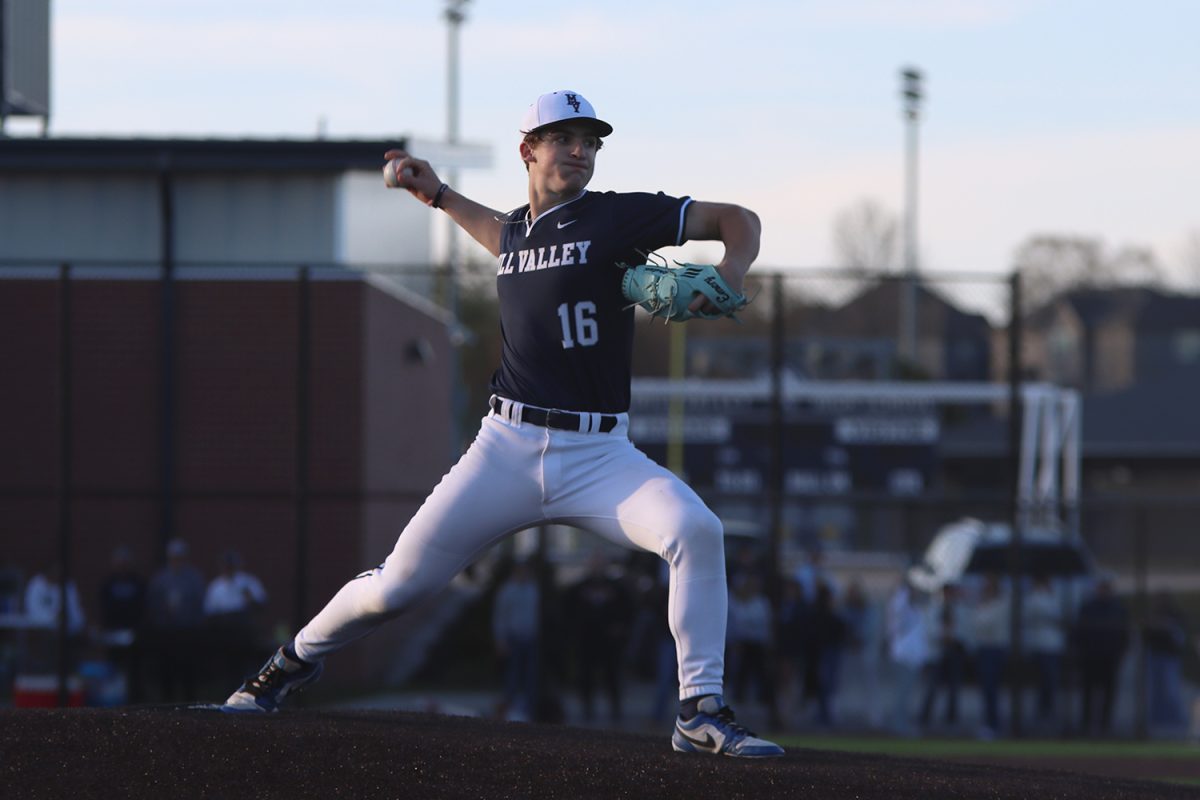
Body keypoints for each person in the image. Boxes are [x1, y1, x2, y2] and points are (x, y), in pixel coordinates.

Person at [220, 90, 782, 758]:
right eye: (564, 137)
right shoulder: (519, 233)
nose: (581, 150)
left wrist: (731, 268)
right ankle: (286, 667)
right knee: (398, 587)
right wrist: (438, 195)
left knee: (697, 529)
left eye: (591, 141)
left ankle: (699, 709)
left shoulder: (616, 217)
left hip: (602, 456)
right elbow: (504, 238)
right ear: (528, 150)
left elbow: (737, 219)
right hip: (505, 449)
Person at [566, 550, 633, 723]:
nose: (597, 567)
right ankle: (587, 710)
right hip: (587, 640)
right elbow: (569, 612)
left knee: (612, 676)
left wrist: (620, 628)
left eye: (600, 563)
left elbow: (628, 610)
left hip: (609, 641)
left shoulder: (616, 588)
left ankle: (615, 710)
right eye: (594, 563)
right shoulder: (579, 588)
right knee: (586, 676)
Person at [146, 539, 206, 701]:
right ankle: (167, 702)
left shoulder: (193, 578)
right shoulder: (161, 579)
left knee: (187, 671)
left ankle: (189, 701)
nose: (176, 561)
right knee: (167, 670)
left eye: (179, 557)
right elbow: (153, 603)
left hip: (187, 631)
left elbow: (199, 604)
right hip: (166, 632)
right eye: (174, 557)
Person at [1073, 575, 1129, 736]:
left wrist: (1120, 654)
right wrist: (1081, 652)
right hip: (1090, 657)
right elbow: (1079, 633)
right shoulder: (1088, 607)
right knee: (1088, 691)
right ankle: (1086, 725)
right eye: (1101, 587)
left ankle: (1105, 725)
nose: (1103, 591)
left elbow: (1124, 635)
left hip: (1110, 658)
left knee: (1109, 692)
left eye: (1106, 588)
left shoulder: (1118, 609)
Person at [203, 550, 268, 688]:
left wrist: (250, 599)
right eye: (226, 566)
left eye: (231, 566)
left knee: (246, 665)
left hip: (244, 630)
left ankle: (248, 693)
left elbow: (261, 603)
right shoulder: (216, 586)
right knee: (228, 668)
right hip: (224, 630)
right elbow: (209, 612)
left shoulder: (248, 581)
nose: (228, 569)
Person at [492, 558, 541, 721]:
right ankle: (509, 710)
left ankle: (528, 710)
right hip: (514, 638)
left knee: (530, 677)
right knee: (512, 677)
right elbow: (501, 617)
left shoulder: (532, 589)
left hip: (530, 638)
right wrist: (501, 639)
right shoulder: (507, 591)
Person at [97, 546, 148, 702]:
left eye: (125, 562)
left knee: (133, 670)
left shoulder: (138, 583)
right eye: (119, 562)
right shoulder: (108, 584)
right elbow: (103, 608)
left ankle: (134, 700)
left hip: (133, 635)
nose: (122, 565)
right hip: (113, 634)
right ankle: (113, 700)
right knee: (114, 668)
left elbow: (143, 607)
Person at [919, 582, 968, 732]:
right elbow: (928, 629)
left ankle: (951, 720)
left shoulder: (960, 609)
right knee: (932, 686)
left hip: (954, 650)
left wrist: (954, 638)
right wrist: (942, 636)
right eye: (946, 593)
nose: (949, 596)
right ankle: (924, 719)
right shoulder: (933, 609)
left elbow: (965, 630)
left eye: (951, 593)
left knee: (954, 687)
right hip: (938, 650)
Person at [1022, 574, 1065, 727]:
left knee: (1051, 679)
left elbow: (1061, 617)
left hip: (1053, 645)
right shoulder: (1033, 598)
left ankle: (1049, 710)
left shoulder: (1055, 597)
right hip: (1039, 645)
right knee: (1041, 679)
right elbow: (1031, 615)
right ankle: (1041, 710)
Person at [971, 574, 1010, 739]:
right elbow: (975, 625)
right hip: (984, 649)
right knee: (987, 689)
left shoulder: (1001, 604)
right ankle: (989, 723)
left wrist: (982, 610)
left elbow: (986, 625)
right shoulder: (983, 604)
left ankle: (993, 725)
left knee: (991, 688)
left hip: (994, 649)